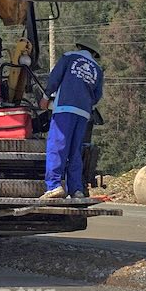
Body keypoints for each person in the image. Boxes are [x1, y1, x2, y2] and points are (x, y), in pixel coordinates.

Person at [39, 43, 104, 199]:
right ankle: (76, 189)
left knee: (57, 146)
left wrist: (46, 97)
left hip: (64, 108)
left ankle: (54, 186)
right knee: (75, 151)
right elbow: (97, 96)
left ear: (79, 47)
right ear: (94, 54)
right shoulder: (97, 69)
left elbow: (55, 77)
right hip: (83, 113)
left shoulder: (69, 57)